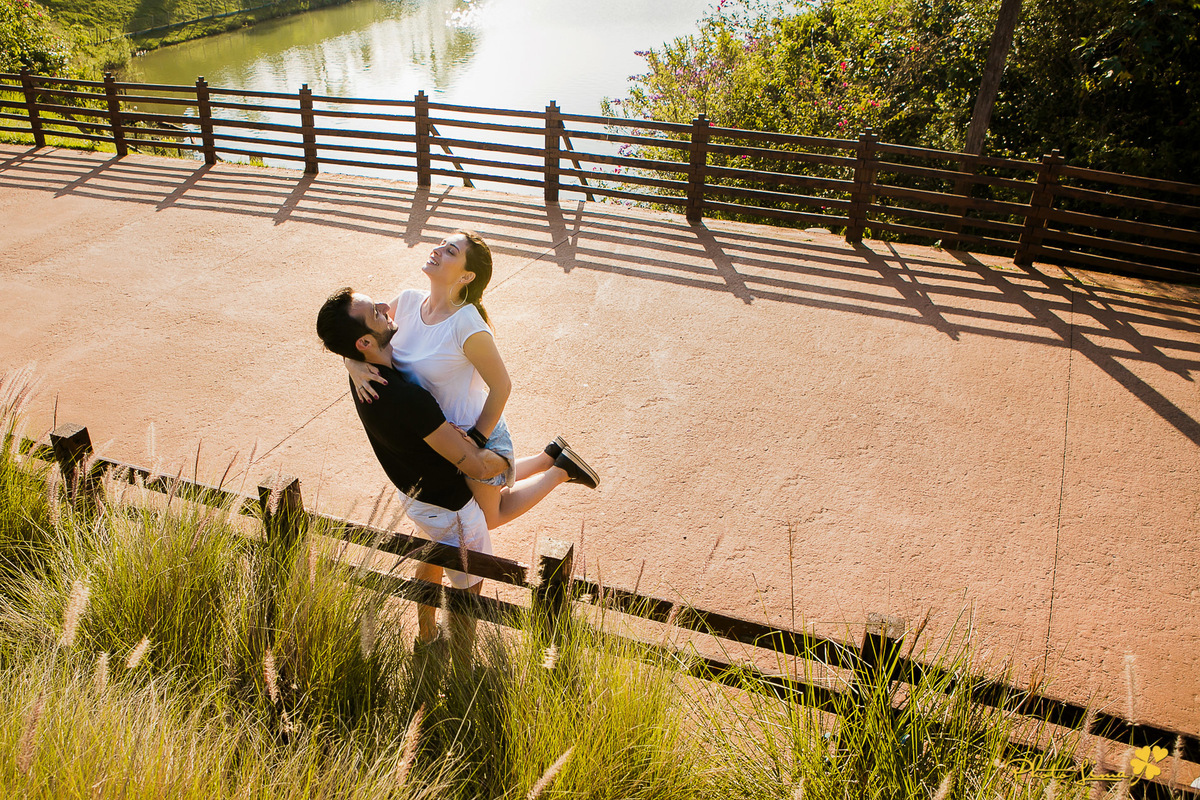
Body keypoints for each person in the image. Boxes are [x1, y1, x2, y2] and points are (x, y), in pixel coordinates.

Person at [316, 287, 596, 665]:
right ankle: (462, 663)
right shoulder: (408, 400)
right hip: (449, 506)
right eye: (375, 312)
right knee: (468, 586)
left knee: (432, 552)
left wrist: (350, 362)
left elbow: (350, 342)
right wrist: (500, 460)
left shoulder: (362, 374)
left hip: (413, 493)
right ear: (364, 341)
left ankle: (428, 636)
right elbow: (477, 467)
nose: (385, 306)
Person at [345, 230, 597, 532]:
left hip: (473, 432)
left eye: (450, 251)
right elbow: (359, 333)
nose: (437, 250)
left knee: (493, 514)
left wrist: (477, 440)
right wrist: (352, 363)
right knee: (483, 501)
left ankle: (560, 471)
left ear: (466, 276)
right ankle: (549, 457)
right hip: (439, 432)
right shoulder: (408, 302)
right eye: (441, 244)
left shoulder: (466, 324)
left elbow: (502, 386)